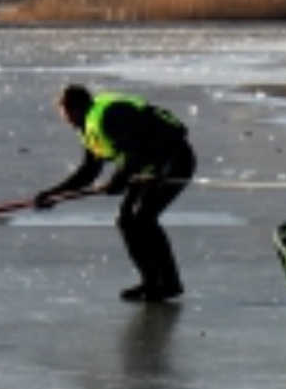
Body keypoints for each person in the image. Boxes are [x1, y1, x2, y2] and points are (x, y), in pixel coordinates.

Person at [36, 84, 197, 302]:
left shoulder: (110, 115)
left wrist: (118, 180)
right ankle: (150, 282)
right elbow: (89, 171)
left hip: (174, 161)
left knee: (143, 218)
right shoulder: (88, 126)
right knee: (126, 221)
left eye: (62, 110)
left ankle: (169, 283)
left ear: (70, 109)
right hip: (144, 168)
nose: (63, 116)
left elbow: (137, 148)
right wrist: (53, 194)